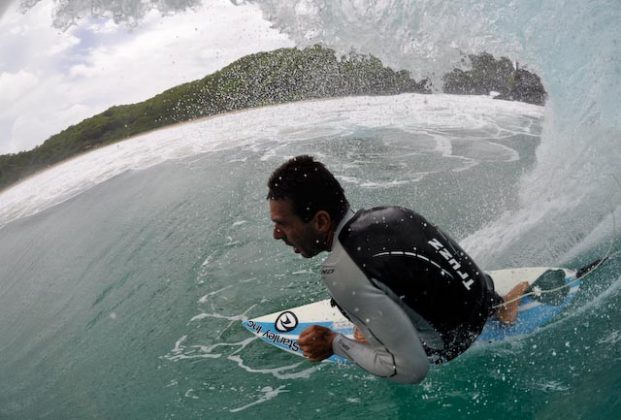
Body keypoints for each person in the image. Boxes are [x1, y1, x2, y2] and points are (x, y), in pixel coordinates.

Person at [267, 155, 529, 384]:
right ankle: (501, 305)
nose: (277, 234)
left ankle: (371, 336)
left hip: (453, 344)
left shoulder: (341, 270)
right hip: (482, 298)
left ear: (322, 221)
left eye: (283, 224)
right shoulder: (391, 213)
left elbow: (412, 371)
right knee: (404, 268)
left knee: (356, 294)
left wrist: (335, 344)